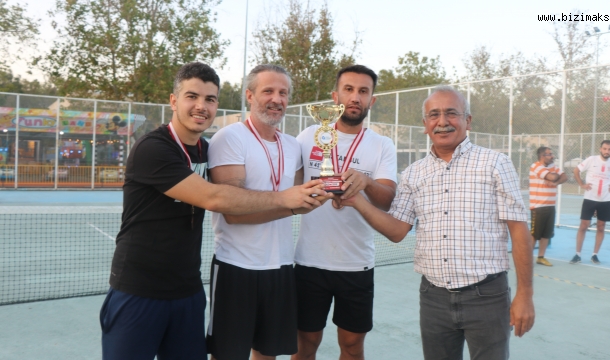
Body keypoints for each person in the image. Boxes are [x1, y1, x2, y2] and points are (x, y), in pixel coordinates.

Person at [100, 62, 328, 360]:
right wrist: (287, 200)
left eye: (209, 99)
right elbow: (217, 198)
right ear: (173, 101)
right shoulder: (153, 148)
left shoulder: (204, 149)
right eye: (192, 96)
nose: (201, 106)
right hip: (138, 290)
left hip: (188, 292)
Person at [340, 85, 535, 360]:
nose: (442, 122)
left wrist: (525, 295)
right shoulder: (412, 174)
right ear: (425, 124)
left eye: (451, 113)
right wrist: (357, 201)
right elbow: (397, 231)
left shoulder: (495, 164)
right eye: (434, 115)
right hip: (433, 298)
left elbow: (519, 231)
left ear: (467, 121)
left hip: (487, 296)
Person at [205, 64, 331, 360]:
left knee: (267, 354)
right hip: (236, 266)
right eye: (268, 91)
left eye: (283, 93)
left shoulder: (292, 145)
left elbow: (299, 202)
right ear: (249, 95)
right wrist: (289, 201)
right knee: (228, 355)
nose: (277, 99)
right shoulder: (230, 137)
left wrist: (327, 191)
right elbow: (233, 211)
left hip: (281, 267)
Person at [292, 65, 397, 360]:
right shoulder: (309, 135)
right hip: (309, 261)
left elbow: (387, 200)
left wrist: (365, 182)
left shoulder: (381, 145)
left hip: (356, 264)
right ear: (335, 96)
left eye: (363, 91)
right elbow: (290, 188)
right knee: (305, 342)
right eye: (348, 90)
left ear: (371, 100)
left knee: (351, 346)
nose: (355, 97)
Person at [570, 140, 610, 265]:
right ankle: (577, 254)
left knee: (601, 227)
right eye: (605, 149)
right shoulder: (591, 159)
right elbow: (576, 171)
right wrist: (581, 184)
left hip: (605, 200)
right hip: (590, 198)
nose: (607, 151)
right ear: (600, 149)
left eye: (609, 149)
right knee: (584, 225)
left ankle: (595, 255)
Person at [529, 146, 567, 266]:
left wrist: (555, 182)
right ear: (542, 156)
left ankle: (541, 257)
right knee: (535, 234)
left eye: (552, 154)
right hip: (538, 207)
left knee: (547, 234)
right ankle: (526, 258)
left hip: (550, 205)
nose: (552, 156)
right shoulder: (535, 166)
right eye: (549, 154)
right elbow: (552, 176)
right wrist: (555, 176)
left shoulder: (552, 167)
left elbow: (564, 177)